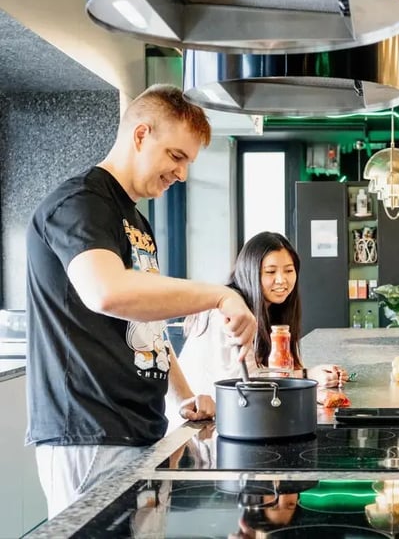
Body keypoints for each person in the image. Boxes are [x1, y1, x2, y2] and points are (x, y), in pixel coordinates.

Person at [25, 84, 258, 518]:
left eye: (188, 162)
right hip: (91, 432)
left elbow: (146, 325)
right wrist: (218, 295)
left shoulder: (135, 221)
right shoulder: (80, 204)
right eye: (176, 156)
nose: (182, 174)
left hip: (140, 430)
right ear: (140, 134)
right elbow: (107, 292)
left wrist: (182, 397)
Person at [177, 231, 347, 402]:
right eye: (270, 272)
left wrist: (311, 376)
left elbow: (282, 367)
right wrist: (306, 375)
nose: (281, 280)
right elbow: (245, 383)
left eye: (289, 270)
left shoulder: (276, 309)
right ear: (250, 272)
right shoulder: (226, 311)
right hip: (200, 412)